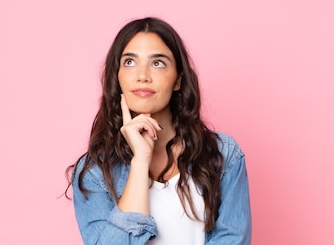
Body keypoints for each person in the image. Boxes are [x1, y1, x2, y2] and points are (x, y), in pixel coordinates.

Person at [65, 17, 251, 245]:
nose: (142, 75)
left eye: (158, 63)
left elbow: (233, 239)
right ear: (117, 76)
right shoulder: (94, 172)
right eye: (130, 62)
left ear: (178, 80)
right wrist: (140, 162)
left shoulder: (224, 155)